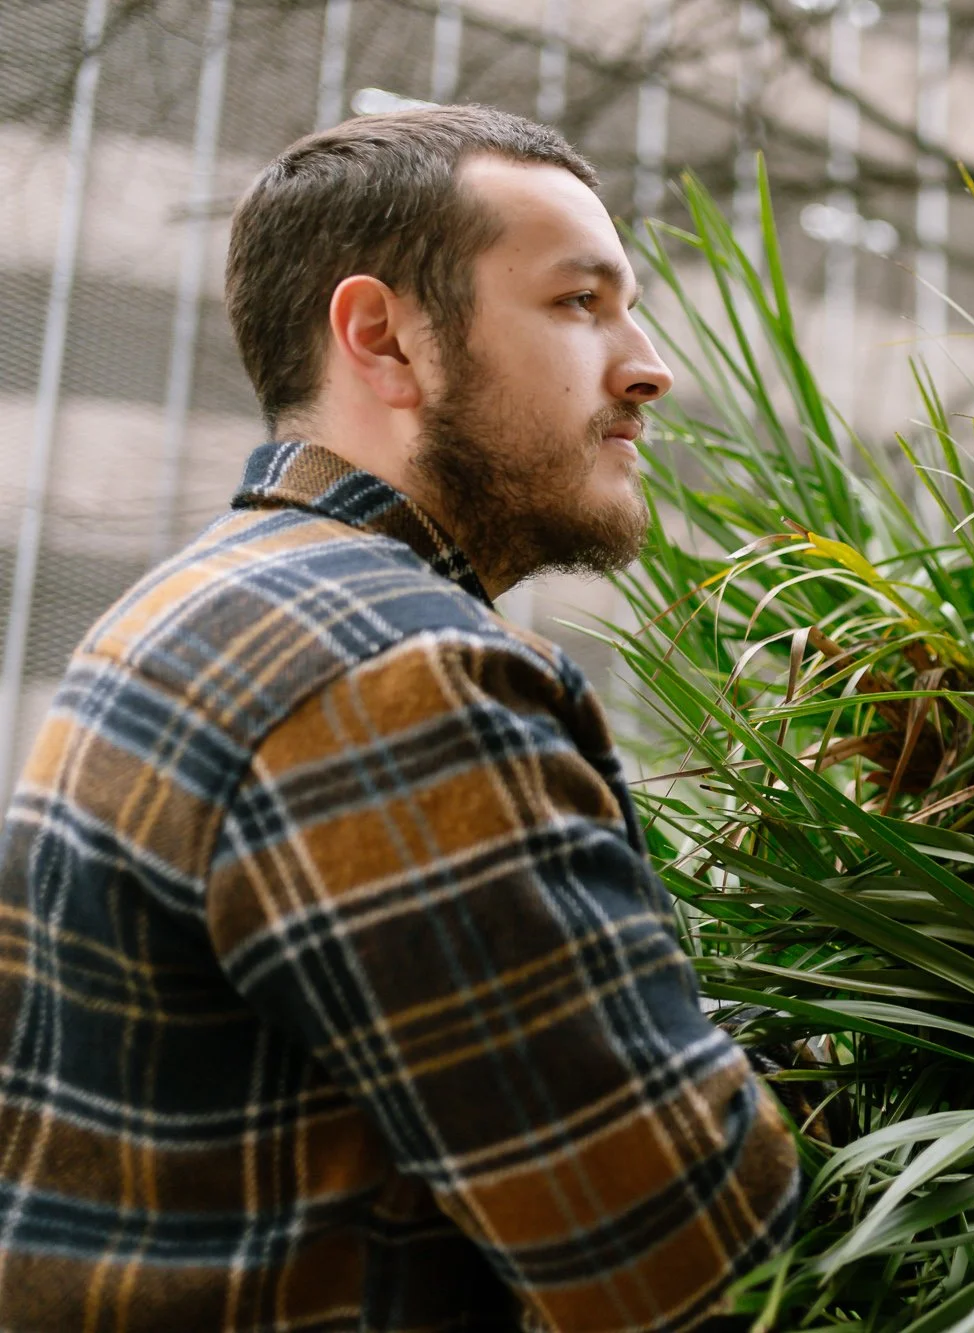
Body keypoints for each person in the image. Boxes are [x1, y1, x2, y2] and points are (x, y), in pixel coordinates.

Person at [0, 107, 797, 1329]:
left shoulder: (182, 606)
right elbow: (673, 1257)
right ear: (385, 338)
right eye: (579, 302)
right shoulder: (400, 674)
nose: (647, 365)